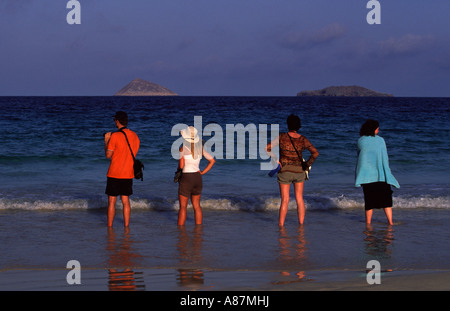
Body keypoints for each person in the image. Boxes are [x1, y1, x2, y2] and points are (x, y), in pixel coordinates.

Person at [266, 114, 319, 227]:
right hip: (299, 171)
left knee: (285, 200)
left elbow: (267, 148)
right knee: (299, 198)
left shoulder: (281, 137)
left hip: (284, 171)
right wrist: (307, 164)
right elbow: (315, 153)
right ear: (298, 125)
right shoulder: (302, 139)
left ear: (288, 124)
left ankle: (281, 225)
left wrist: (276, 160)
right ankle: (301, 224)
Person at [355, 119, 399, 225]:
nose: (378, 131)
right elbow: (385, 157)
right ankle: (390, 222)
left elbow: (360, 156)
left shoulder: (361, 141)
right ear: (374, 129)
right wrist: (387, 171)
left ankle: (368, 223)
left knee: (369, 201)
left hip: (367, 176)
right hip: (381, 175)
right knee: (386, 200)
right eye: (377, 129)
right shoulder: (380, 140)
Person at [104, 111, 140, 227]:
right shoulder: (135, 136)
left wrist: (106, 140)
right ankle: (126, 226)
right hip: (128, 173)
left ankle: (110, 227)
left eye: (114, 120)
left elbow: (108, 155)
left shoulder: (114, 136)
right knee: (125, 201)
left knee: (112, 202)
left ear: (117, 121)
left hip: (114, 173)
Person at [177, 126, 215, 226]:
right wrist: (202, 172)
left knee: (183, 207)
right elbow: (212, 161)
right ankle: (198, 229)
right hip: (198, 177)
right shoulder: (200, 148)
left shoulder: (182, 148)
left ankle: (180, 230)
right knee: (197, 205)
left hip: (187, 177)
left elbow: (181, 166)